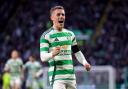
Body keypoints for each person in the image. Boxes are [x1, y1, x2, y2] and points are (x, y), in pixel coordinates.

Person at [40, 5, 91, 89]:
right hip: (57, 77)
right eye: (58, 14)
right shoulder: (46, 35)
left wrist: (85, 62)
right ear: (52, 17)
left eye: (63, 14)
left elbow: (77, 52)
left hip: (71, 76)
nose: (61, 16)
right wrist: (52, 54)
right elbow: (43, 57)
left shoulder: (70, 34)